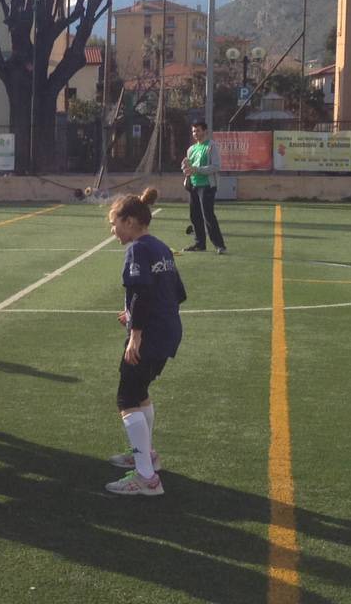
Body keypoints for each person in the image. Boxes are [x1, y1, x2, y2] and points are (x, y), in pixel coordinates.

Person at [104, 188, 185, 496]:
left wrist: (136, 333)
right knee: (140, 394)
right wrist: (133, 314)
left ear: (131, 221)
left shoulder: (137, 250)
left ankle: (146, 478)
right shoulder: (162, 247)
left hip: (149, 335)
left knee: (126, 399)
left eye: (115, 222)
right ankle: (146, 455)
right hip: (168, 329)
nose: (113, 230)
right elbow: (176, 293)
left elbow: (140, 292)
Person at [181, 122, 227, 254]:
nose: (196, 134)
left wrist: (197, 169)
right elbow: (189, 168)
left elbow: (216, 166)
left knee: (208, 216)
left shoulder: (211, 147)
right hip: (193, 186)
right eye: (194, 131)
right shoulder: (191, 149)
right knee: (194, 216)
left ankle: (220, 245)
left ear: (205, 131)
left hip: (206, 186)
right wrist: (186, 168)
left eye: (198, 131)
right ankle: (199, 244)